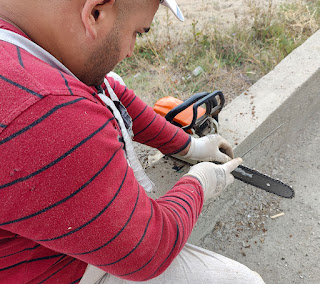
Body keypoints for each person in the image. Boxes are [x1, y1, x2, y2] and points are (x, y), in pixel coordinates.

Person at [0, 0, 265, 283]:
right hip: (53, 271)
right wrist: (200, 183)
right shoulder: (49, 112)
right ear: (95, 12)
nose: (130, 51)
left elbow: (110, 92)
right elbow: (148, 249)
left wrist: (190, 147)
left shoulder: (26, 41)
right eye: (138, 32)